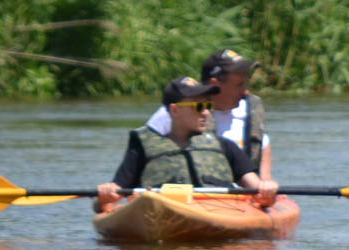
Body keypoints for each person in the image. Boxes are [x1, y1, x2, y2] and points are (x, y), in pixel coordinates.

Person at [97, 77, 278, 212]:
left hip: (219, 212)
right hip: (161, 214)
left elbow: (257, 191)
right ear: (175, 109)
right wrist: (105, 196)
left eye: (208, 106)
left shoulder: (224, 146)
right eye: (198, 106)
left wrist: (267, 192)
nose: (206, 112)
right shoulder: (142, 147)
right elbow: (104, 203)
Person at [144, 48, 273, 179]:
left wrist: (265, 181)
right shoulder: (175, 112)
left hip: (247, 186)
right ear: (215, 84)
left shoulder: (250, 107)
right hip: (197, 187)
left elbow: (261, 142)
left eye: (246, 83)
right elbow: (146, 147)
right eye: (239, 85)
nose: (246, 91)